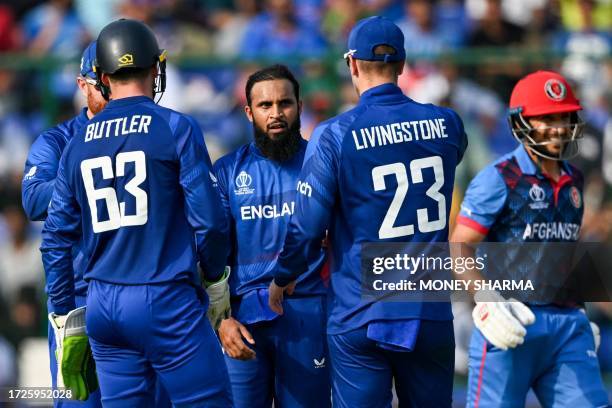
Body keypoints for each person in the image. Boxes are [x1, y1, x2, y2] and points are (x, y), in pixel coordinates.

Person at [268, 16, 468, 407]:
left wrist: (283, 276)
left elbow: (308, 226)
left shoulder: (335, 133)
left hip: (361, 310)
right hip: (429, 307)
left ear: (353, 65)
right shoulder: (447, 124)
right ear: (403, 65)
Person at [40, 19, 232, 407]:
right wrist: (214, 280)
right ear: (155, 68)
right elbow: (209, 222)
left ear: (103, 77)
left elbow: (54, 239)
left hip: (103, 306)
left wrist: (64, 315)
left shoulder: (76, 143)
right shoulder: (175, 126)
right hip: (164, 296)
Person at [451, 70, 609, 407]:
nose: (557, 127)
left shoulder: (575, 179)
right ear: (521, 123)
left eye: (563, 117)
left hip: (565, 326)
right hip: (509, 320)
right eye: (545, 118)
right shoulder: (498, 178)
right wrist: (486, 299)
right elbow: (459, 246)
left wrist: (576, 309)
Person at [213, 64, 330, 407]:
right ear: (248, 111)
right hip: (244, 321)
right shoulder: (226, 172)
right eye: (265, 106)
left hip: (310, 314)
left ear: (300, 106)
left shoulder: (323, 164)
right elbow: (209, 253)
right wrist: (220, 319)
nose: (276, 113)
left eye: (285, 103)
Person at [22, 41, 105, 408]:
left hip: (143, 287)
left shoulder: (154, 133)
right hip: (80, 295)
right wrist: (98, 176)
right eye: (104, 83)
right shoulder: (57, 140)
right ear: (83, 85)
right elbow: (35, 199)